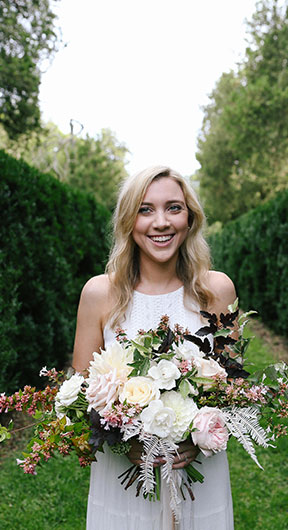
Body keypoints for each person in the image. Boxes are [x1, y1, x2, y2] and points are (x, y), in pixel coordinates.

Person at [72, 165, 237, 529]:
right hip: (123, 479)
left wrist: (201, 434)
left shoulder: (218, 290)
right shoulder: (100, 294)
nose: (161, 222)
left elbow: (233, 389)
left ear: (190, 218)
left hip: (200, 476)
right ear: (128, 221)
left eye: (174, 208)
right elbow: (78, 397)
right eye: (145, 209)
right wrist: (118, 440)